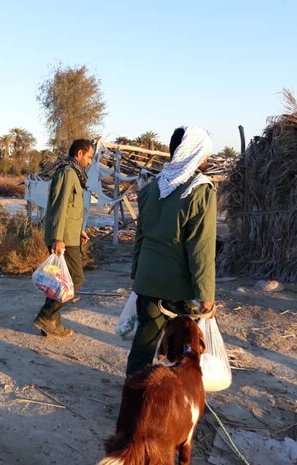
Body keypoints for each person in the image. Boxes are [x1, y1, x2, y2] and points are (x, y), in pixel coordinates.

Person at [127, 126, 217, 376]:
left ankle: (135, 392)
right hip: (177, 287)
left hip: (147, 280)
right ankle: (171, 402)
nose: (207, 159)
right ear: (195, 154)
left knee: (144, 343)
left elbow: (140, 237)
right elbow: (201, 247)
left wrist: (137, 275)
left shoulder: (152, 188)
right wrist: (206, 295)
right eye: (206, 154)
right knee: (181, 348)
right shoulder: (199, 191)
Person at [33, 138, 95, 338]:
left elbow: (71, 209)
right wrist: (59, 238)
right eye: (89, 157)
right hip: (64, 240)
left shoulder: (74, 173)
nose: (90, 161)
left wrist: (79, 231)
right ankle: (45, 315)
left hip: (70, 236)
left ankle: (50, 324)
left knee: (57, 283)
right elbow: (59, 208)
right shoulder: (68, 173)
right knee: (75, 280)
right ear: (79, 154)